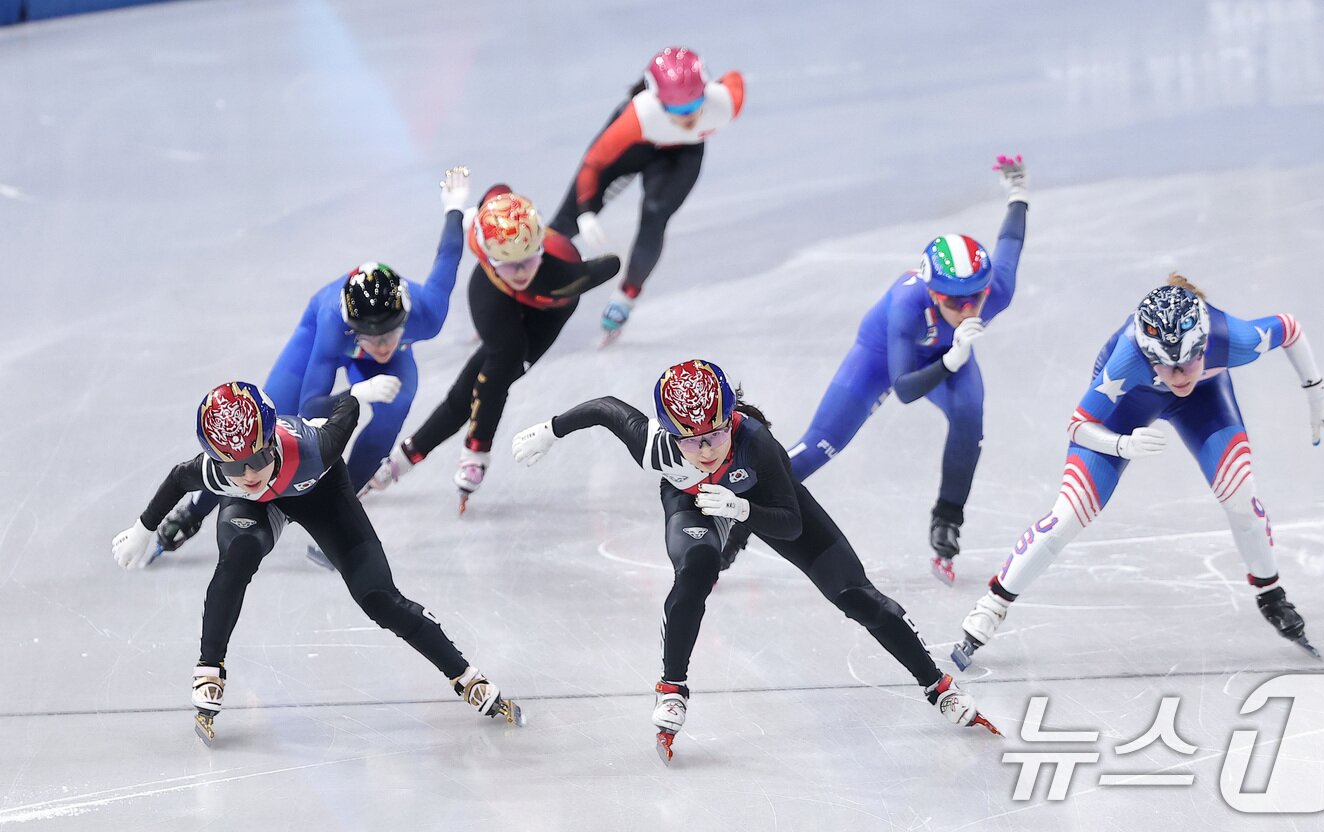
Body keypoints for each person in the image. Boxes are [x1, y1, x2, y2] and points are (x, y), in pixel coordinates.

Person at [510, 359, 999, 765]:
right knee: (696, 574)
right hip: (693, 504)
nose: (704, 449)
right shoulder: (654, 444)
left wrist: (742, 509)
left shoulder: (757, 443)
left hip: (763, 502)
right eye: (691, 441)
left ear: (730, 421)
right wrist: (550, 430)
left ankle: (938, 686)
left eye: (714, 437)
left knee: (856, 596)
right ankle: (672, 686)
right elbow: (604, 409)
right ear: (668, 434)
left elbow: (788, 522)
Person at [949, 275, 1324, 669]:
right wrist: (1122, 445)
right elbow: (1078, 425)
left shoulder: (1233, 338)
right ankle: (993, 604)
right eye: (1166, 365)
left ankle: (1271, 593)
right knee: (1069, 516)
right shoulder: (1128, 359)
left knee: (1240, 494)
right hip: (1124, 409)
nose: (1178, 376)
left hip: (1205, 402)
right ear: (1147, 354)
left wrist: (1319, 395)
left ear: (1206, 343)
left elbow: (1290, 328)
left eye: (1189, 361)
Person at [110, 381, 522, 743]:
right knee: (239, 554)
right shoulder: (216, 473)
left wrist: (356, 393)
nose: (249, 473)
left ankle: (465, 676)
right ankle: (209, 667)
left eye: (256, 458)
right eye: (234, 465)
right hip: (253, 510)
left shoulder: (316, 448)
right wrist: (142, 530)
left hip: (320, 492)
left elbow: (348, 411)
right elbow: (176, 479)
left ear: (271, 440)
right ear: (218, 462)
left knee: (377, 597)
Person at [728, 156, 1029, 584]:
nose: (968, 310)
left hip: (947, 356)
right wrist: (951, 359)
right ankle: (736, 526)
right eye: (954, 302)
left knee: (969, 416)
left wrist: (1018, 191)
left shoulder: (995, 290)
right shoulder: (907, 305)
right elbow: (904, 389)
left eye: (975, 299)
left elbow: (1011, 240)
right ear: (931, 291)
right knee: (818, 448)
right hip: (881, 358)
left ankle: (948, 519)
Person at [152, 167, 474, 560]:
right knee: (267, 419)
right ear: (352, 327)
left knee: (396, 405)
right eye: (369, 338)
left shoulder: (428, 314)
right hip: (322, 339)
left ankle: (345, 513)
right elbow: (309, 413)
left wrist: (454, 209)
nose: (381, 346)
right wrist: (355, 392)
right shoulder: (332, 324)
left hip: (358, 347)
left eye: (390, 335)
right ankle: (194, 510)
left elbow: (448, 259)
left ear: (406, 320)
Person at [362, 185, 621, 511]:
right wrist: (462, 207)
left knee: (480, 381)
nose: (521, 273)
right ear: (485, 255)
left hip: (550, 307)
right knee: (503, 357)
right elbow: (494, 195)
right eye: (509, 264)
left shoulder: (566, 273)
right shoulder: (484, 248)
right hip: (492, 294)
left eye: (528, 260)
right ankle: (472, 453)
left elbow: (609, 265)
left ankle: (409, 458)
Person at [547, 46, 745, 345]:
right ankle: (519, 270)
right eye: (677, 110)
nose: (688, 117)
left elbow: (734, 78)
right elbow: (594, 163)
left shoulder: (725, 103)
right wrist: (585, 211)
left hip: (680, 156)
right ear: (658, 101)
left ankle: (626, 296)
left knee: (655, 213)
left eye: (694, 104)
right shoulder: (637, 117)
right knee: (567, 222)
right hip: (635, 145)